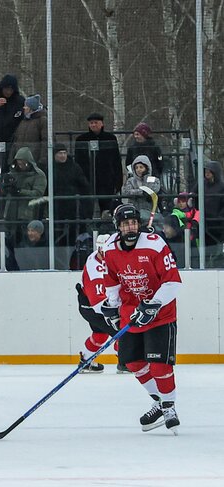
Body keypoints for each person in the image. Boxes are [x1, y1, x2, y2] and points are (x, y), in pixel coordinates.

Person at [101, 203, 182, 434]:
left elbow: (173, 282)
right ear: (118, 227)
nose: (131, 227)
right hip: (130, 313)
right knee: (133, 363)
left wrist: (152, 305)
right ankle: (159, 400)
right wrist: (112, 307)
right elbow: (113, 282)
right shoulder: (110, 249)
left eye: (134, 222)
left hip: (161, 313)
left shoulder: (155, 245)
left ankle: (169, 407)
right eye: (126, 224)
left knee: (159, 365)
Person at [75, 233, 119, 373]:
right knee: (122, 331)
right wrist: (115, 314)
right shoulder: (96, 270)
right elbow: (98, 304)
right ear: (100, 249)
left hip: (90, 304)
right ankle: (126, 361)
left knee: (100, 334)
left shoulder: (101, 256)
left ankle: (86, 361)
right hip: (93, 307)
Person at [73, 112, 123, 217]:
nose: (93, 125)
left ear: (102, 124)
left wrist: (118, 181)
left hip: (106, 180)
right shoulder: (81, 140)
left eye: (96, 122)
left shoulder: (110, 138)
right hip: (87, 180)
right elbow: (77, 162)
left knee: (107, 209)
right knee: (87, 209)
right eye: (91, 123)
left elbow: (116, 161)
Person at [1, 146, 47, 242]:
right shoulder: (13, 173)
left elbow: (38, 193)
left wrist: (19, 191)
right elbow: (5, 191)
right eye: (18, 162)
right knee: (11, 240)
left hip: (28, 212)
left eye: (23, 162)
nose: (20, 165)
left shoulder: (38, 175)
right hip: (11, 212)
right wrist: (6, 187)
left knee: (26, 240)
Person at [50, 143, 93, 243]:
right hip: (57, 205)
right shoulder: (50, 167)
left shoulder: (74, 167)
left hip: (73, 205)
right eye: (60, 153)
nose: (63, 155)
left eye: (64, 153)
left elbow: (84, 186)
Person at [11, 94, 48, 169]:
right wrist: (11, 158)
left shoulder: (42, 121)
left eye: (26, 106)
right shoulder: (23, 121)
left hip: (34, 160)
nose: (24, 108)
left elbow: (46, 141)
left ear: (31, 108)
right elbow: (16, 141)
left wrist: (43, 160)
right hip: (21, 160)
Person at [201, 161, 224, 244]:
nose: (207, 173)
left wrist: (219, 217)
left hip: (216, 223)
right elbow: (193, 194)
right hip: (203, 221)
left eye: (210, 171)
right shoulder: (201, 183)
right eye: (206, 171)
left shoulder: (222, 186)